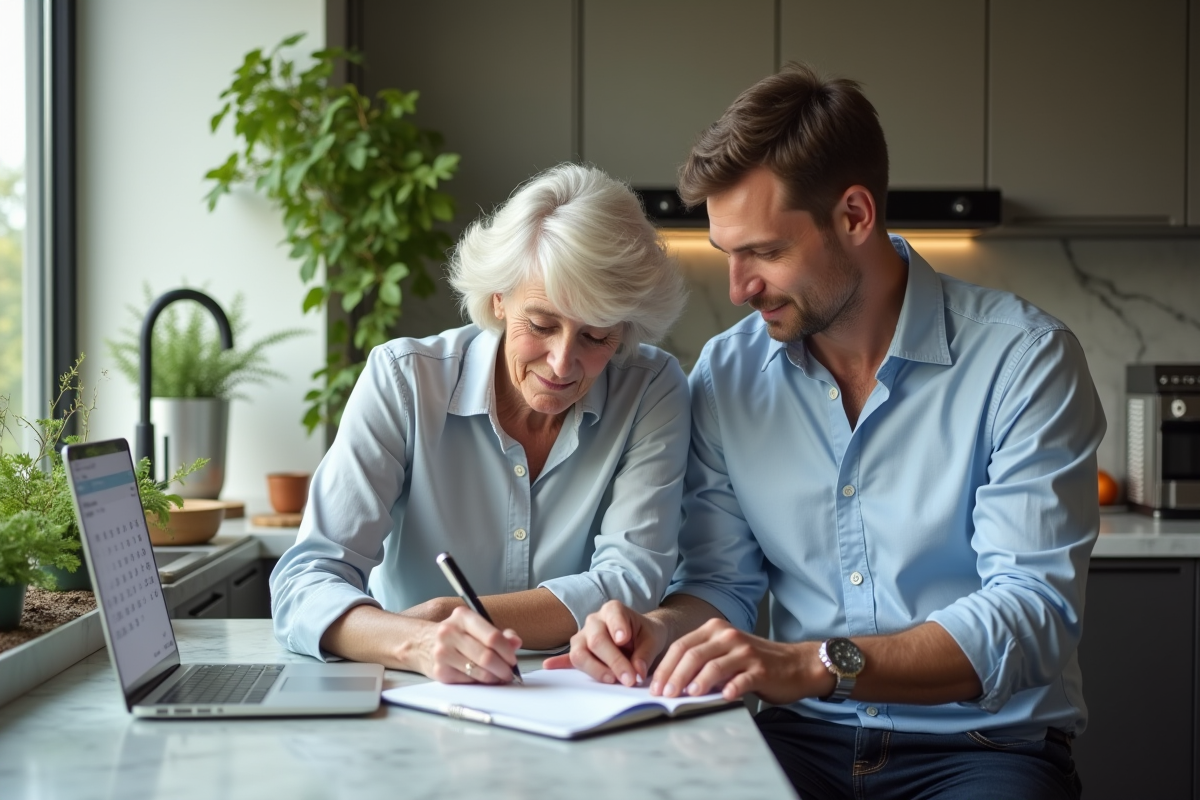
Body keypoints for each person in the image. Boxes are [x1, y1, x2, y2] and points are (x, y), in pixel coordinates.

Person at [549, 64, 1104, 800]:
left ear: (854, 215)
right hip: (797, 739)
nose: (739, 289)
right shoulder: (726, 374)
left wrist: (815, 663)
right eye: (727, 254)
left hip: (981, 747)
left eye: (766, 253)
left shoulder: (1025, 360)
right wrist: (658, 630)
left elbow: (1031, 614)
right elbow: (721, 585)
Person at [271, 163, 689, 686]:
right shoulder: (405, 381)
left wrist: (457, 616)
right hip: (418, 686)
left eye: (597, 337)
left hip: (580, 692)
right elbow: (306, 580)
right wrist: (418, 642)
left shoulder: (652, 388)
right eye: (541, 325)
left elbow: (632, 580)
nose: (562, 363)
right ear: (498, 298)